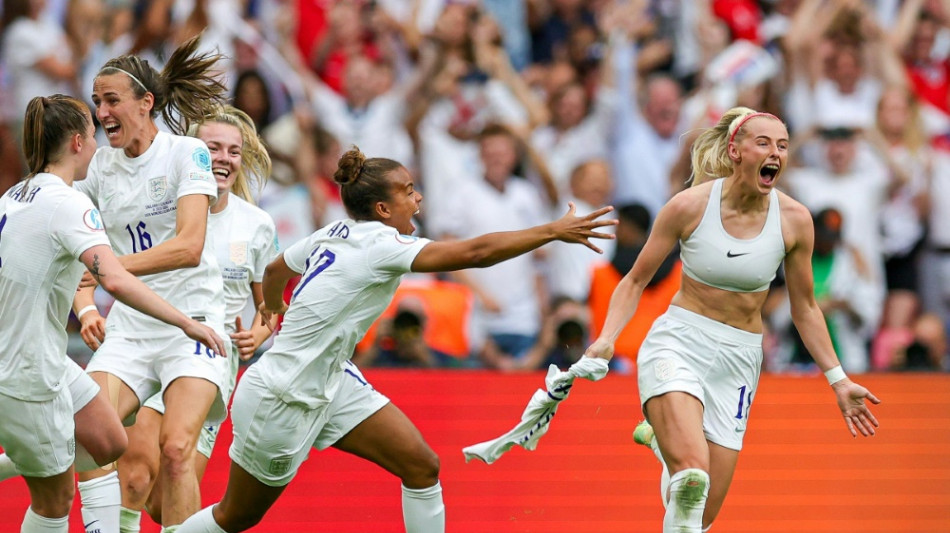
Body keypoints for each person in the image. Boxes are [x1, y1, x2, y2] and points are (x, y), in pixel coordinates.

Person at [176, 145, 616, 533]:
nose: (418, 196)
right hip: (283, 395)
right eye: (408, 190)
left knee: (421, 465)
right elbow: (476, 253)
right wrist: (551, 230)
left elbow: (275, 272)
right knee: (236, 517)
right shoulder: (381, 246)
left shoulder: (333, 231)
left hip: (332, 381)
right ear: (383, 209)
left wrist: (272, 310)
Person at [582, 107, 881, 532]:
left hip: (739, 360)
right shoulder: (688, 207)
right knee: (692, 477)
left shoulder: (795, 220)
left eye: (782, 145)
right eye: (763, 143)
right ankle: (674, 447)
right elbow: (633, 281)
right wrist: (606, 338)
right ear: (735, 151)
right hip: (679, 342)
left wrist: (839, 379)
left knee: (699, 515)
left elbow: (805, 308)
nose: (775, 152)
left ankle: (661, 442)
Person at [0, 94, 224, 533]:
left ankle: (20, 457)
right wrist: (186, 322)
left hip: (38, 354)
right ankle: (32, 457)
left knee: (109, 441)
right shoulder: (68, 204)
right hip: (26, 371)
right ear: (79, 142)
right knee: (55, 500)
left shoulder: (12, 196)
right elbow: (115, 280)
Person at [79, 106, 278, 531]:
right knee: (131, 472)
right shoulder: (158, 207)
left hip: (208, 354)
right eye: (213, 149)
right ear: (193, 156)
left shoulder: (256, 225)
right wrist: (89, 305)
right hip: (149, 337)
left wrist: (257, 336)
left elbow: (270, 307)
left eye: (234, 151)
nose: (223, 158)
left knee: (166, 483)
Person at [69, 35, 233, 532]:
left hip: (195, 325)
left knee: (177, 450)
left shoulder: (188, 153)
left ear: (147, 102)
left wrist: (111, 271)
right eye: (97, 102)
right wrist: (87, 308)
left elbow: (189, 247)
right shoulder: (98, 165)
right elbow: (79, 254)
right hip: (131, 331)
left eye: (111, 99)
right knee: (87, 432)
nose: (101, 112)